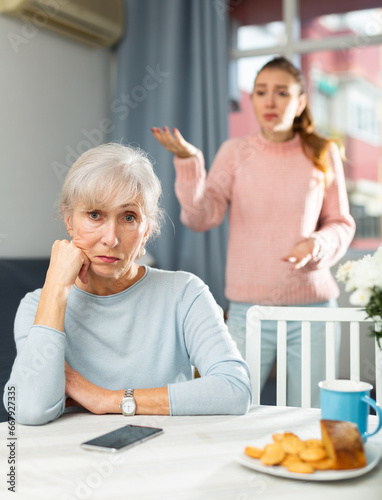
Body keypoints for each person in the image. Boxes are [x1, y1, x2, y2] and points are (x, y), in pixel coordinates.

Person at [152, 56, 355, 407]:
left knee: (310, 413)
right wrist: (189, 163)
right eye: (261, 92)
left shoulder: (322, 152)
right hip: (250, 310)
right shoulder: (235, 153)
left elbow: (341, 222)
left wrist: (317, 244)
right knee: (233, 407)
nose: (270, 101)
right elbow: (201, 217)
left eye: (281, 92)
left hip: (313, 309)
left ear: (301, 101)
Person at [3, 143, 252, 425]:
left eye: (129, 217)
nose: (111, 238)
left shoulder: (184, 293)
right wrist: (56, 288)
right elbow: (28, 409)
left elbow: (235, 389)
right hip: (76, 458)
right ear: (69, 220)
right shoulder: (38, 305)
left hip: (165, 453)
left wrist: (107, 399)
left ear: (147, 231)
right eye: (95, 215)